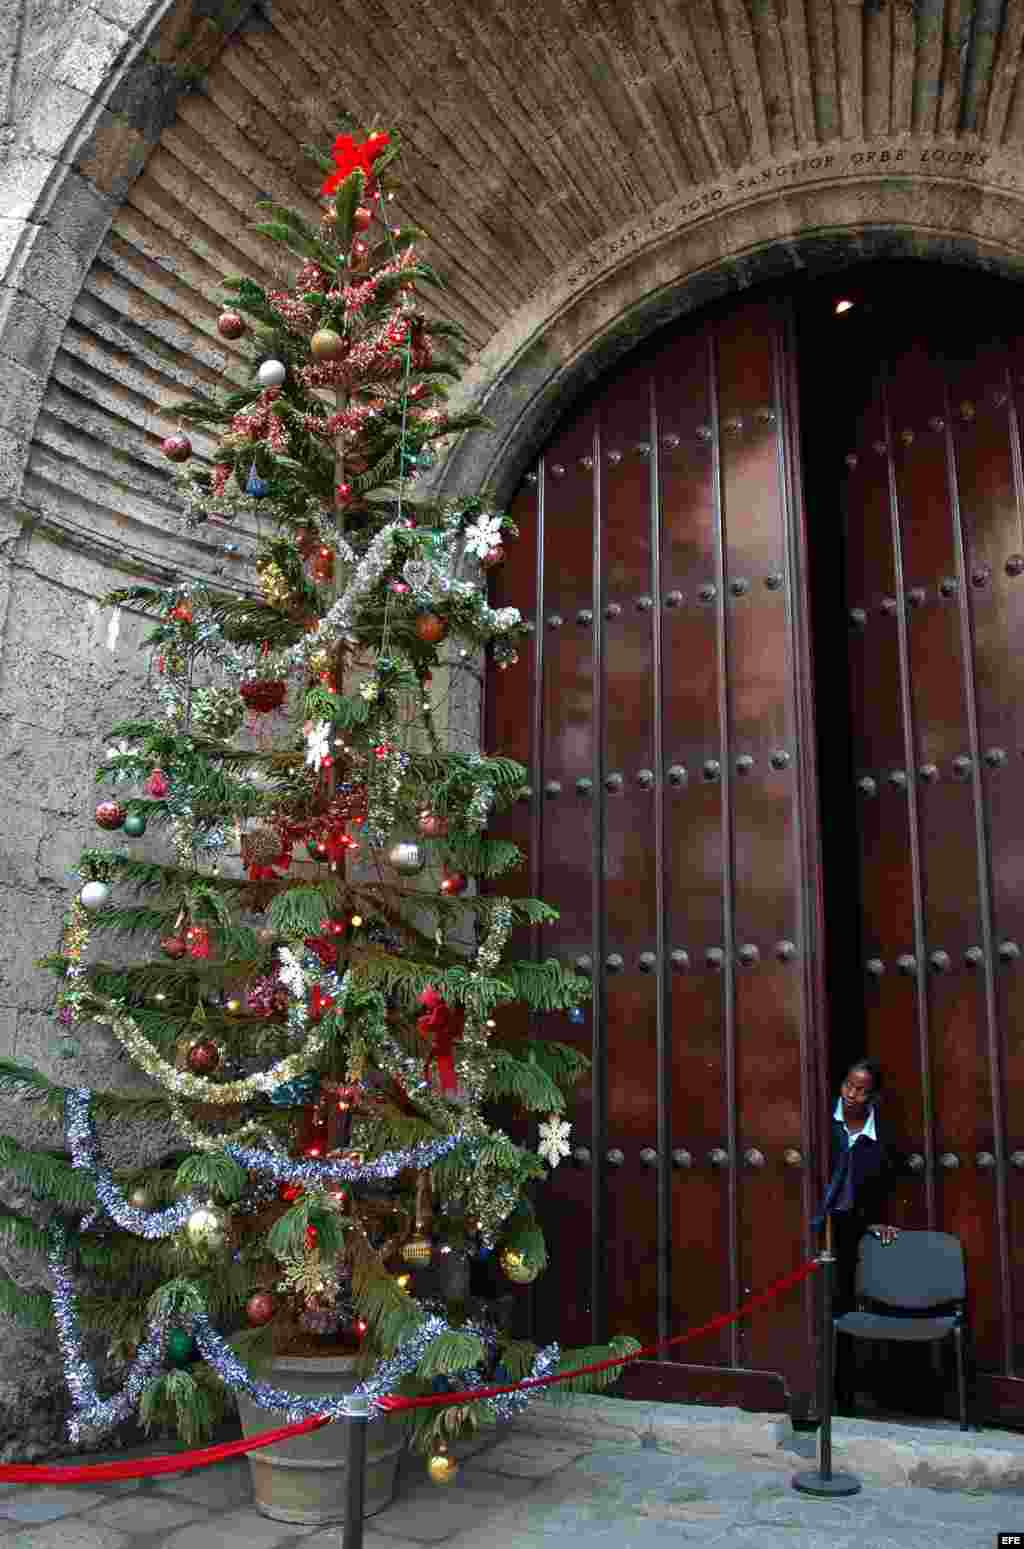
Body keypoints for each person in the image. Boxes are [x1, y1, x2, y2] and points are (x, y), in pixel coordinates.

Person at [812, 1057, 900, 1411]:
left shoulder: (881, 1136)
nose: (852, 1094)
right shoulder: (820, 1119)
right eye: (848, 1085)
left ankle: (841, 1398)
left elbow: (881, 1187)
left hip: (847, 1235)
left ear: (873, 1096)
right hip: (812, 1226)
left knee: (840, 1306)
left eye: (861, 1090)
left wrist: (877, 1221)